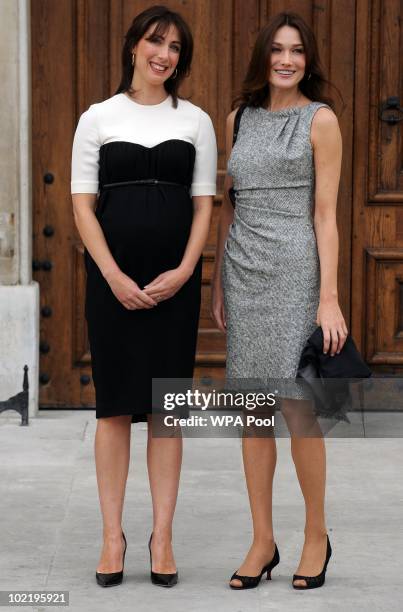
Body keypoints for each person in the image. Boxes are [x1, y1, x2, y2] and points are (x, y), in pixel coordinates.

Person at [71, 5, 217, 588]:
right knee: (113, 411)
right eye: (156, 42)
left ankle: (162, 535)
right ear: (133, 46)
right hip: (113, 282)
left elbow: (204, 203)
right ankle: (113, 536)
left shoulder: (197, 120)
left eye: (175, 47)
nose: (164, 54)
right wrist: (111, 275)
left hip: (172, 285)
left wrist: (186, 271)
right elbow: (82, 204)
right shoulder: (96, 117)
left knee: (166, 412)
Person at [211, 11, 347, 590]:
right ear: (263, 57)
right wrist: (218, 279)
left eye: (296, 51)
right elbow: (229, 204)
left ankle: (316, 535)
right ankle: (263, 539)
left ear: (307, 61)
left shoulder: (321, 121)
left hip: (295, 271)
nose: (286, 59)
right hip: (244, 272)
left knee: (297, 409)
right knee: (252, 413)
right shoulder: (238, 118)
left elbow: (325, 213)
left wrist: (329, 298)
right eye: (276, 50)